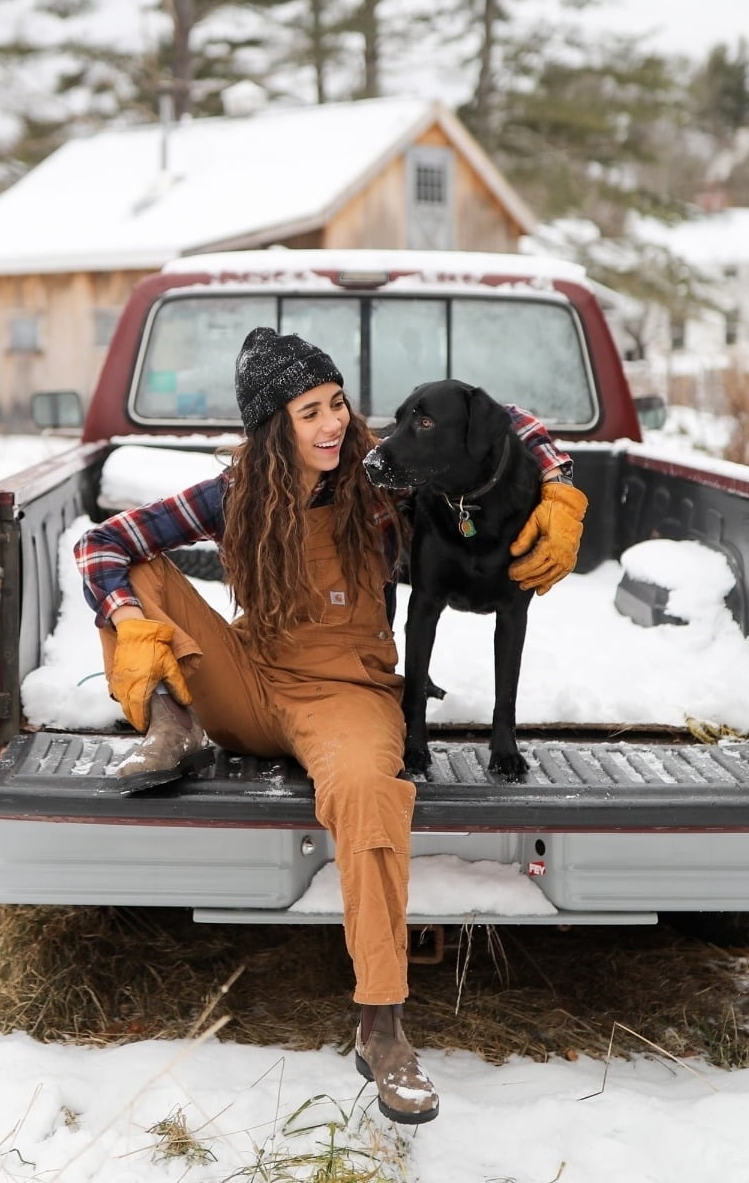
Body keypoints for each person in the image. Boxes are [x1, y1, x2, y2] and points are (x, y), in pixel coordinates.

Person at [74, 327, 587, 1125]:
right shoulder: (233, 492)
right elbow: (103, 544)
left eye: (337, 403)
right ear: (272, 428)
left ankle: (382, 1026)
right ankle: (170, 723)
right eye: (309, 411)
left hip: (346, 694)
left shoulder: (380, 480)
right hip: (249, 680)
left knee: (369, 797)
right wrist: (133, 626)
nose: (332, 424)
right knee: (135, 570)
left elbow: (503, 418)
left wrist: (557, 485)